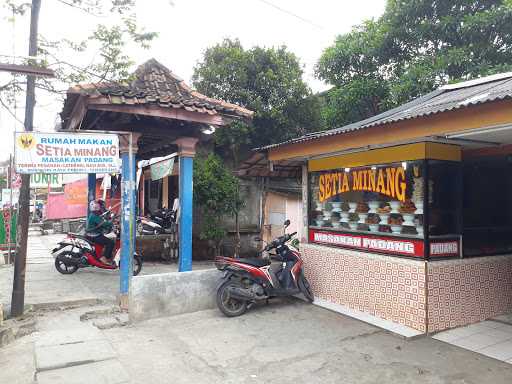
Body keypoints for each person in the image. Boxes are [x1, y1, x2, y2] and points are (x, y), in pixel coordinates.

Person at [85, 199, 114, 264]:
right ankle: (104, 258)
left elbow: (102, 221)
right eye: (99, 207)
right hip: (94, 235)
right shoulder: (94, 215)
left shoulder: (95, 214)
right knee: (110, 243)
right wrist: (111, 222)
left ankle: (103, 255)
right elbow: (103, 223)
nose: (101, 209)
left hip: (94, 234)